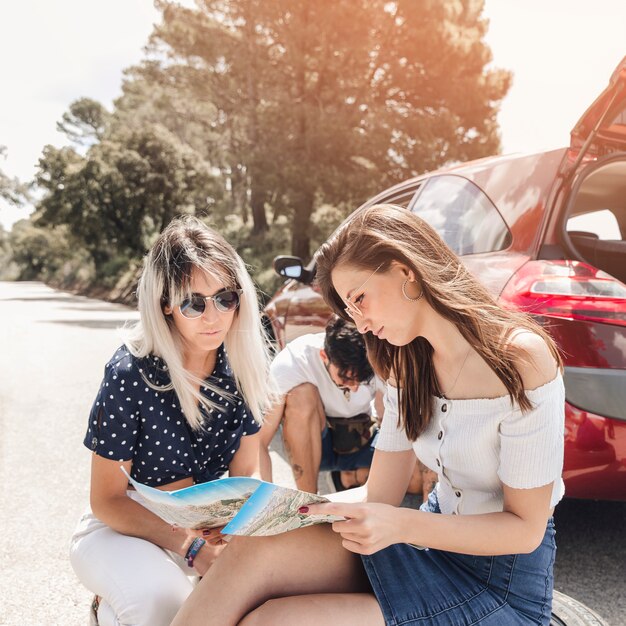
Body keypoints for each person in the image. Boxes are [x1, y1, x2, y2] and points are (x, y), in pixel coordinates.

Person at [172, 203, 565, 626]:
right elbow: (379, 496)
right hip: (425, 547)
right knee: (250, 549)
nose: (359, 325)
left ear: (405, 271)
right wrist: (265, 517)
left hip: (499, 586)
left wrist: (400, 526)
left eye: (359, 299)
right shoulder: (405, 363)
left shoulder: (521, 359)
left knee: (271, 622)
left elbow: (525, 530)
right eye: (349, 309)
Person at [69, 215, 276, 626]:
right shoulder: (131, 374)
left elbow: (246, 468)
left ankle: (112, 609)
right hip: (126, 526)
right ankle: (111, 605)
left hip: (206, 524)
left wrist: (237, 528)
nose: (212, 316)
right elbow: (107, 499)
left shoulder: (243, 368)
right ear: (166, 304)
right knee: (162, 605)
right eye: (193, 302)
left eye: (225, 298)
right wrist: (192, 548)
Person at [260, 316, 386, 493]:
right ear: (324, 356)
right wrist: (263, 502)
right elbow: (259, 441)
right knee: (300, 394)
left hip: (363, 437)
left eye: (362, 379)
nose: (355, 387)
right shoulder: (292, 362)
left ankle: (347, 477)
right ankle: (309, 503)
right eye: (346, 378)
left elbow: (397, 425)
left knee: (416, 475)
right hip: (317, 447)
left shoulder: (378, 356)